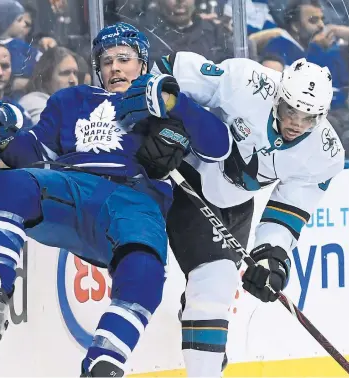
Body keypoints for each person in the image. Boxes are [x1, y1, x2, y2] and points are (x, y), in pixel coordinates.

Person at [0, 23, 231, 377]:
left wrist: (177, 103)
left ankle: (104, 362)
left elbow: (219, 146)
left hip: (135, 198)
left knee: (144, 271)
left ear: (143, 64)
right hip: (73, 188)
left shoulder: (162, 103)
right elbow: (30, 154)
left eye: (124, 58)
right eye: (106, 60)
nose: (115, 67)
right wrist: (1, 134)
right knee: (13, 185)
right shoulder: (71, 100)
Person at [117, 53, 345, 376]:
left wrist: (272, 257)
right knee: (171, 277)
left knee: (214, 288)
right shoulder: (248, 83)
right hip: (174, 174)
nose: (295, 122)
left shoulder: (325, 155)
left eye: (307, 118)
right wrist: (157, 125)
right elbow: (171, 70)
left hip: (231, 204)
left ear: (321, 117)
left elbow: (289, 210)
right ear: (279, 95)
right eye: (290, 110)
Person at [19, 46, 91, 125]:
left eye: (75, 73)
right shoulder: (33, 101)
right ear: (46, 78)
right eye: (65, 73)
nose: (73, 80)